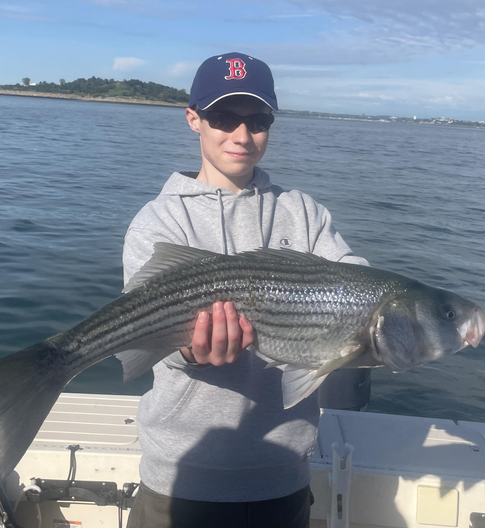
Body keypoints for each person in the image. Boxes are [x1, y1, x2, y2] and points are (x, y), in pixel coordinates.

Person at [123, 52, 368, 528]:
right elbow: (143, 334)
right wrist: (189, 351)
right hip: (181, 476)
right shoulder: (159, 220)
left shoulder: (304, 213)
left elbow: (354, 279)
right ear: (194, 119)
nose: (241, 135)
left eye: (257, 120)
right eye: (222, 118)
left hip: (282, 476)